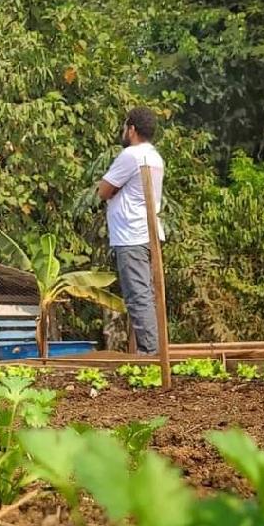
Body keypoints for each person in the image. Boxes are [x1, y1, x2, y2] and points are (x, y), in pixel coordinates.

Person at [97, 106, 165, 354]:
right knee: (145, 294)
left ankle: (150, 353)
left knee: (137, 296)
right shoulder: (154, 156)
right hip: (146, 232)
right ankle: (154, 349)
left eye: (125, 127)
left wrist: (110, 190)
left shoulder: (131, 155)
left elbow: (104, 190)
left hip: (131, 235)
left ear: (132, 129)